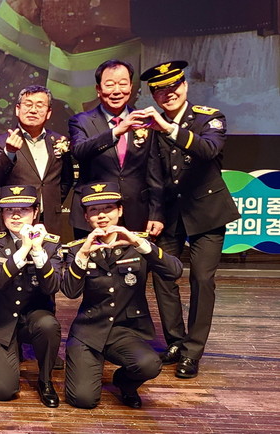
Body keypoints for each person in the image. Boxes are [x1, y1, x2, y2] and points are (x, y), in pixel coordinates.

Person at [139, 61, 241, 379]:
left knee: (201, 279)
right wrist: (155, 215)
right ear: (154, 95)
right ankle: (175, 341)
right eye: (160, 90)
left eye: (173, 87)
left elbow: (208, 150)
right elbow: (154, 176)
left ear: (184, 86)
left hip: (207, 212)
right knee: (163, 277)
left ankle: (192, 352)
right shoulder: (153, 127)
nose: (167, 94)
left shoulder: (209, 118)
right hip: (171, 214)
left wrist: (169, 129)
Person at [60, 182, 182, 409]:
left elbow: (174, 271)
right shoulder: (78, 248)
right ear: (86, 216)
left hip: (125, 331)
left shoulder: (137, 244)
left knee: (148, 364)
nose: (101, 215)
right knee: (83, 399)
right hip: (89, 331)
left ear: (120, 210)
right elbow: (70, 291)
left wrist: (139, 243)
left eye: (108, 208)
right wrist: (83, 255)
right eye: (94, 210)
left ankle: (124, 383)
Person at [0, 185, 62, 407]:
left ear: (35, 212)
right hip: (0, 319)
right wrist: (24, 249)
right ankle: (10, 350)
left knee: (48, 325)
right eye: (9, 210)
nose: (16, 215)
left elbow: (51, 287)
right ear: (2, 214)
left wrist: (37, 250)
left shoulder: (50, 243)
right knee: (2, 390)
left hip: (34, 317)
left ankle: (45, 380)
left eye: (23, 209)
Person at [68, 59, 164, 239]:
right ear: (98, 89)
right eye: (110, 85)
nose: (117, 91)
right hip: (93, 213)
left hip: (137, 213)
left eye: (123, 84)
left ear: (131, 87)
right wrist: (117, 131)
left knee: (136, 258)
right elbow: (79, 151)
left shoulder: (146, 121)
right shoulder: (81, 121)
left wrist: (156, 213)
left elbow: (154, 172)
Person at [0, 85, 75, 237]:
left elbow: (66, 180)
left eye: (40, 106)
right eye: (28, 104)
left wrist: (50, 202)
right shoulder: (1, 142)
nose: (33, 110)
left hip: (49, 220)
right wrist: (9, 152)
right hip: (15, 220)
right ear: (17, 109)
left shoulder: (59, 141)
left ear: (48, 113)